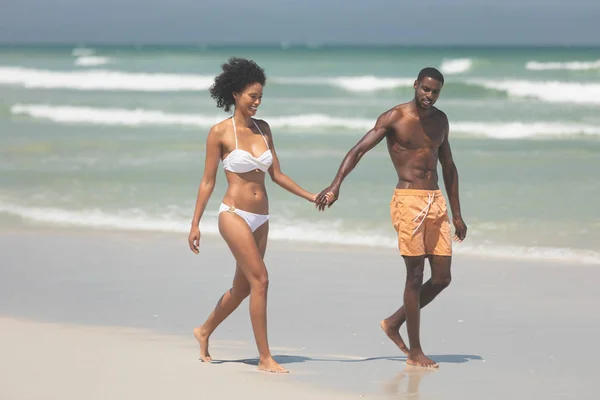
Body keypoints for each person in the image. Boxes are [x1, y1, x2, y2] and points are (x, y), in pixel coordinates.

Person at [315, 67, 467, 368]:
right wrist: (335, 185)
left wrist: (458, 214)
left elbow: (448, 167)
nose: (429, 96)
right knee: (414, 276)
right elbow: (358, 150)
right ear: (415, 85)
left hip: (436, 201)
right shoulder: (395, 117)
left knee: (442, 277)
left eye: (435, 91)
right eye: (425, 89)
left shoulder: (440, 121)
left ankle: (394, 323)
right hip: (408, 200)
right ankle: (415, 351)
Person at [188, 57, 322, 373]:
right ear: (235, 94)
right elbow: (208, 180)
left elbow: (277, 174)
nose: (257, 102)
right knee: (261, 279)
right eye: (252, 96)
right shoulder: (219, 133)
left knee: (244, 287)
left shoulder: (264, 130)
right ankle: (265, 358)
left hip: (261, 218)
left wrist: (310, 195)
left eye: (261, 97)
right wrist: (195, 223)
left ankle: (203, 330)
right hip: (232, 214)